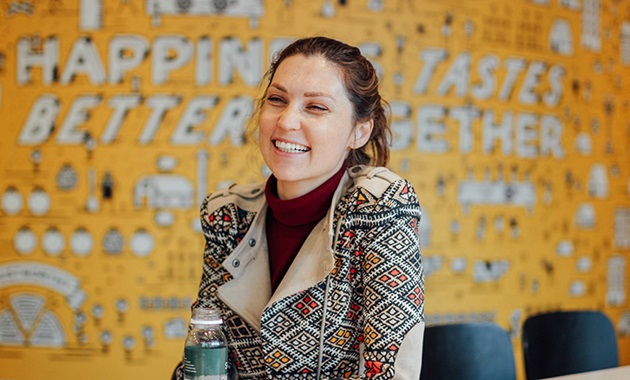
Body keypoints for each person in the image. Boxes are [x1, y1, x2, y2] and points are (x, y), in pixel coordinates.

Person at [176, 36, 424, 379]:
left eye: (316, 107)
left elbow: (388, 371)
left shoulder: (379, 205)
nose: (287, 121)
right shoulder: (228, 215)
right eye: (277, 100)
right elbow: (205, 355)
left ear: (360, 131)